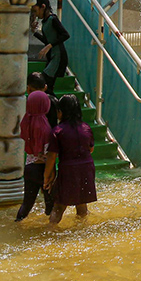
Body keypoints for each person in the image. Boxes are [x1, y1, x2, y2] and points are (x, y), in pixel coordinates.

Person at [44, 94, 97, 225]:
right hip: (87, 168)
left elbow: (52, 156)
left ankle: (50, 231)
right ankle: (82, 231)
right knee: (82, 204)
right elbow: (91, 149)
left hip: (68, 170)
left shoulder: (57, 131)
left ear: (60, 112)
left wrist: (47, 176)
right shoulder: (86, 128)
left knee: (59, 205)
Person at [16, 90, 56, 222]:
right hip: (43, 169)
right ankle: (50, 232)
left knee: (27, 203)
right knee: (51, 203)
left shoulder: (26, 121)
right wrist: (49, 175)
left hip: (29, 168)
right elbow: (48, 154)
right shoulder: (45, 127)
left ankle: (17, 223)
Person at [31, 0, 69, 95]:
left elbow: (65, 35)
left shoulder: (53, 19)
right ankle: (53, 107)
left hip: (58, 56)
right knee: (47, 86)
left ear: (43, 7)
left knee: (45, 84)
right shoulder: (45, 22)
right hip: (53, 57)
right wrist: (34, 32)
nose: (35, 14)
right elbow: (47, 40)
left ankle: (55, 106)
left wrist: (49, 46)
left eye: (36, 10)